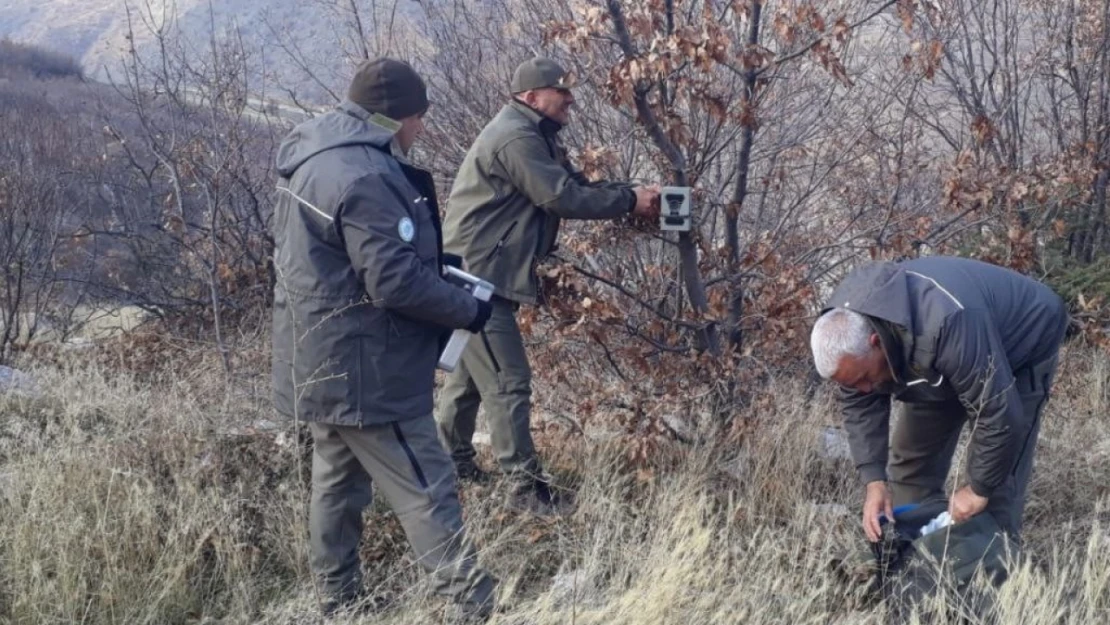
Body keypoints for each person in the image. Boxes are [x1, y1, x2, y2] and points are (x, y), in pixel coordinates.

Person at [271, 57, 496, 618]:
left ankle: (339, 598)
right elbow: (393, 280)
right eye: (419, 118)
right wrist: (466, 308)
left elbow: (343, 264)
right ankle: (473, 602)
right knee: (426, 483)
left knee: (337, 483)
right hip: (370, 367)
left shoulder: (314, 157)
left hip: (319, 356)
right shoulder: (368, 175)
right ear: (396, 118)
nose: (421, 130)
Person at [434, 57, 660, 509]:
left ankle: (449, 466)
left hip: (472, 273)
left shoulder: (533, 134)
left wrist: (632, 193)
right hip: (477, 279)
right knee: (507, 379)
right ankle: (525, 489)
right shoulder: (517, 137)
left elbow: (574, 184)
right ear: (532, 97)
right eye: (562, 91)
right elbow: (562, 197)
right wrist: (630, 201)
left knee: (471, 378)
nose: (571, 99)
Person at [810, 256, 1068, 544]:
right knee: (910, 462)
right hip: (941, 357)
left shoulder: (947, 320)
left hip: (1023, 338)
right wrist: (874, 481)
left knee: (996, 482)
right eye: (852, 383)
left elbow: (998, 415)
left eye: (864, 378)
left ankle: (992, 568)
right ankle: (920, 557)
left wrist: (978, 490)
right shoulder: (850, 342)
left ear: (875, 342)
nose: (865, 389)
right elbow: (860, 405)